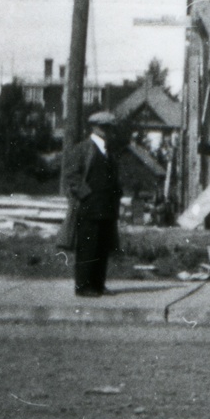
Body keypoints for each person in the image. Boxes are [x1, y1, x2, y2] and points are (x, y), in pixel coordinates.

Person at [62, 110, 123, 297]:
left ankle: (98, 284)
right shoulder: (82, 149)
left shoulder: (109, 152)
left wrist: (117, 196)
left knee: (102, 248)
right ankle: (83, 286)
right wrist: (86, 196)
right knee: (87, 247)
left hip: (106, 208)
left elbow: (114, 180)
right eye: (105, 127)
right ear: (95, 128)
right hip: (88, 208)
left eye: (110, 128)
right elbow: (72, 176)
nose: (108, 131)